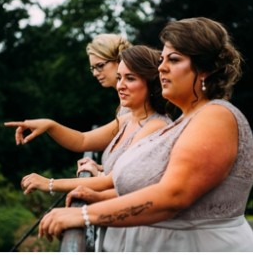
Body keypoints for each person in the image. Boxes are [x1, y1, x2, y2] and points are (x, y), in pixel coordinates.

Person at [37, 17, 253, 252]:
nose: (161, 67)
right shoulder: (183, 121)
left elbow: (174, 195)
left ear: (205, 70)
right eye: (162, 59)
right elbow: (146, 186)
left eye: (174, 59)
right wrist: (99, 197)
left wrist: (85, 215)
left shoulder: (216, 116)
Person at [11, 46, 172, 251]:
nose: (120, 86)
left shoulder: (155, 126)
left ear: (151, 84)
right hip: (115, 227)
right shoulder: (127, 120)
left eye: (130, 79)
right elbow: (82, 141)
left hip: (136, 231)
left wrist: (50, 183)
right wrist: (49, 125)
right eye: (120, 78)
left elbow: (112, 181)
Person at [5, 33, 133, 173]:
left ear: (119, 60)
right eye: (92, 68)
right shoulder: (126, 103)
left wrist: (49, 125)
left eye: (100, 66)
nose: (95, 73)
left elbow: (83, 141)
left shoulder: (135, 107)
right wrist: (102, 168)